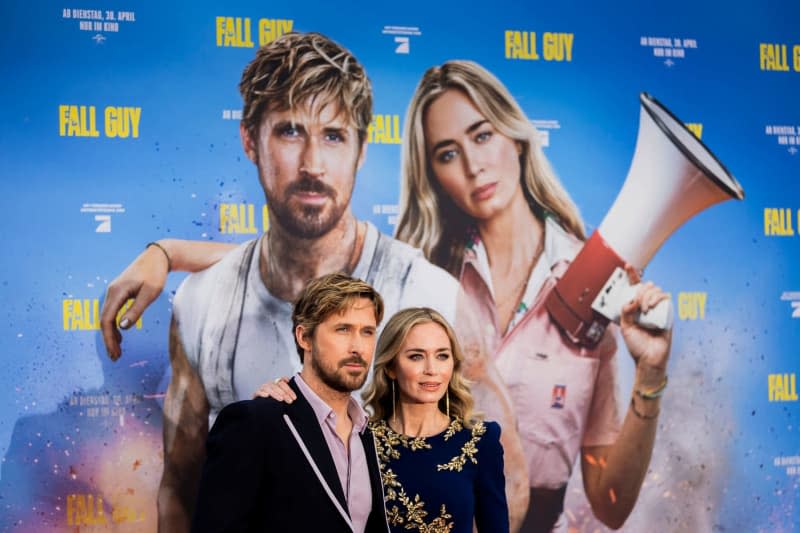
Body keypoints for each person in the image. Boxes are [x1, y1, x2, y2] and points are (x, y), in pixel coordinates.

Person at [100, 33, 527, 530]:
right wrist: (166, 251)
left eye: (333, 136)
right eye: (289, 132)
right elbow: (180, 485)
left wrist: (168, 252)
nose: (312, 164)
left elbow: (510, 482)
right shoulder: (203, 303)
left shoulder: (431, 297)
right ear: (249, 139)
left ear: (362, 149)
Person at [394, 60, 672, 531]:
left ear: (517, 137)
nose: (472, 164)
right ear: (433, 176)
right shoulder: (420, 278)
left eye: (482, 135)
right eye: (447, 153)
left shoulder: (595, 282)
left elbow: (611, 503)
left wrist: (652, 371)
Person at [262, 306, 509, 533]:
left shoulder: (480, 441)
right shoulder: (360, 438)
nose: (432, 369)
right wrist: (271, 401)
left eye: (442, 356)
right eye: (416, 356)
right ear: (391, 367)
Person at [191, 273, 389, 532]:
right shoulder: (254, 422)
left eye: (367, 332)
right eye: (343, 329)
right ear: (304, 338)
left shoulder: (369, 433)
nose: (358, 347)